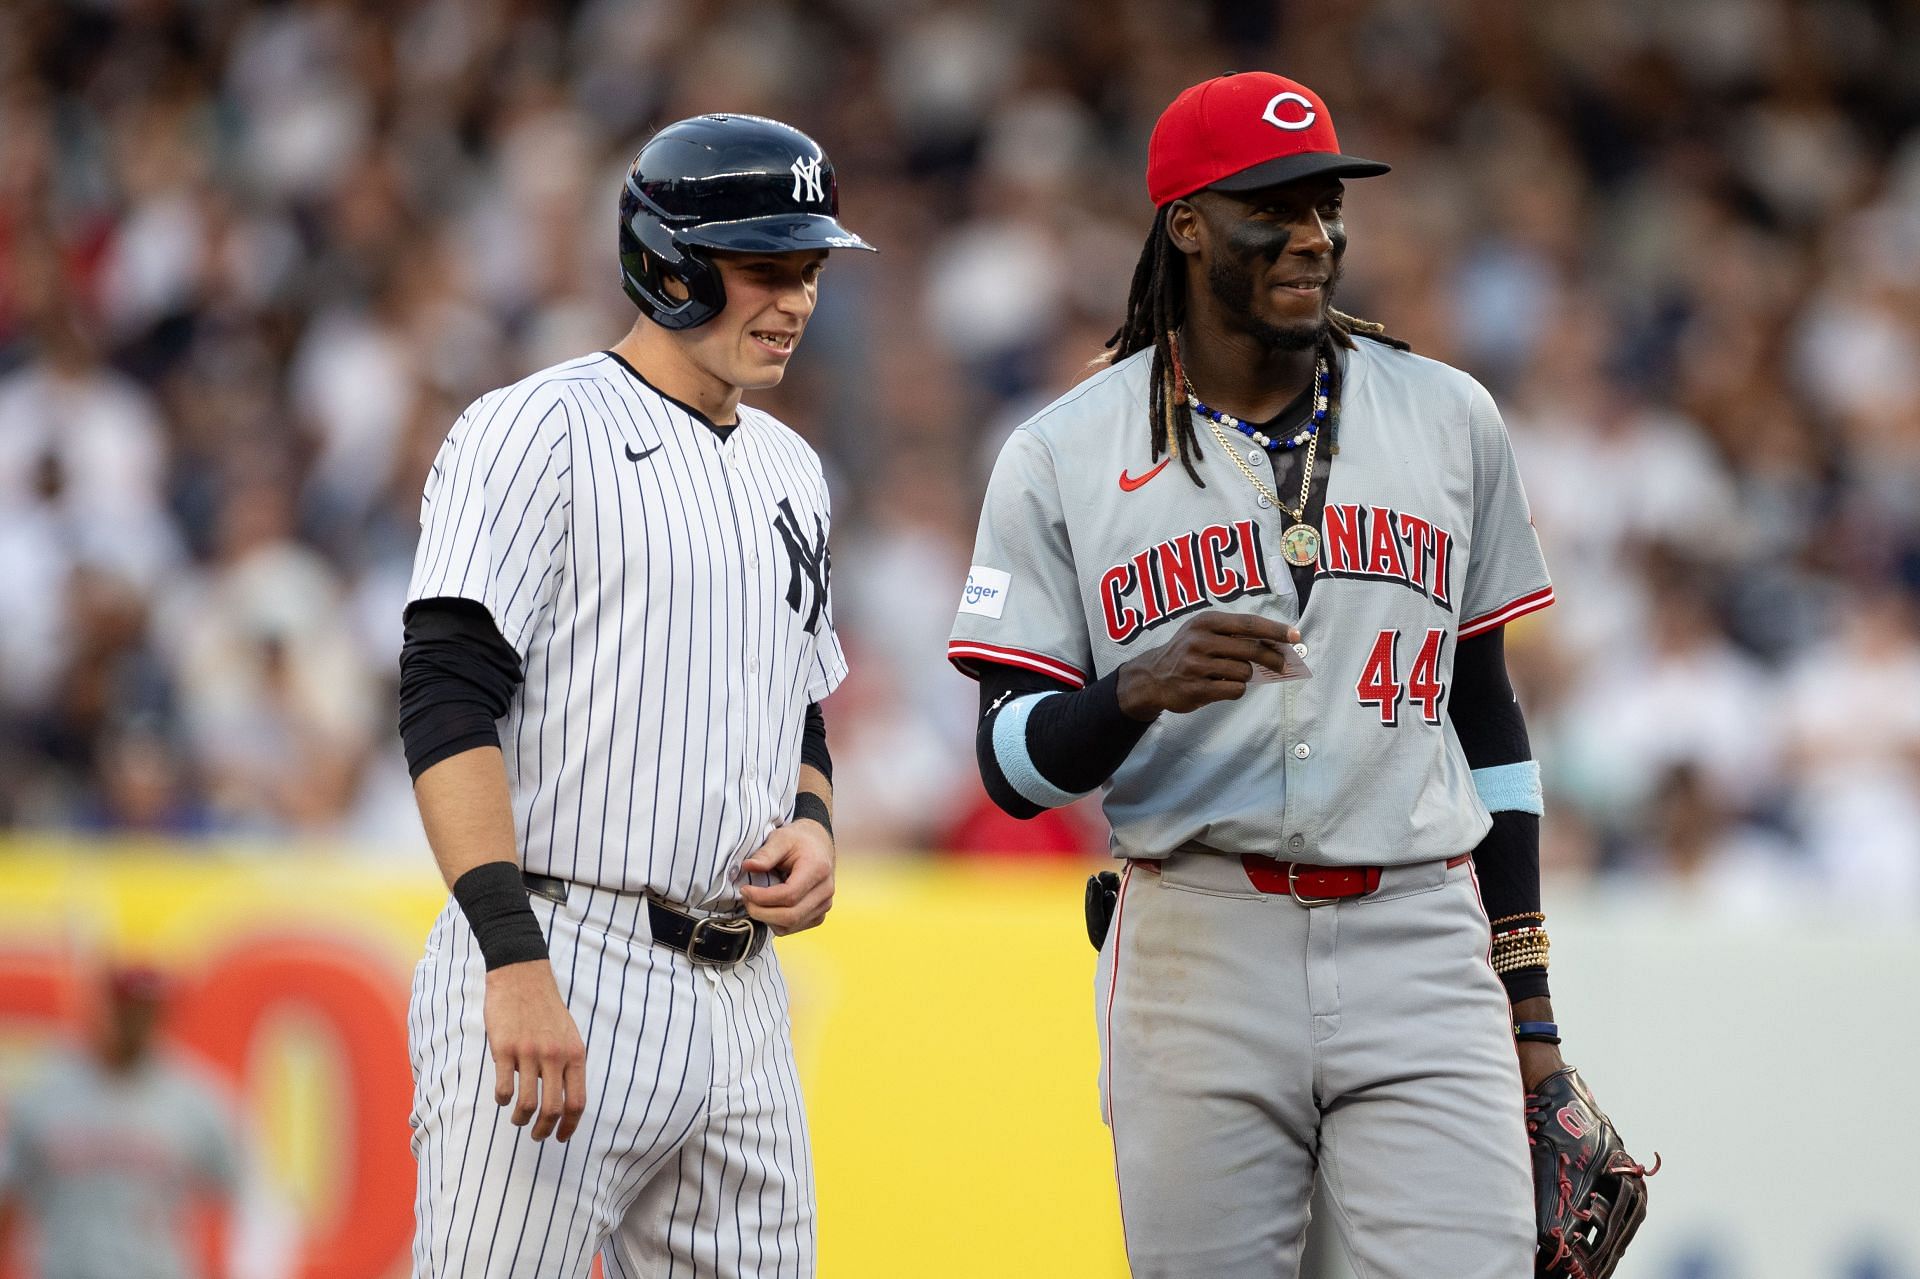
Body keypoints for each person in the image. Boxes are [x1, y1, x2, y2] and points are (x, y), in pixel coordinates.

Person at [949, 73, 1647, 1276]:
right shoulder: (1060, 451)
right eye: (1275, 206)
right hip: (1195, 933)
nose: (1314, 237)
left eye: (1326, 205)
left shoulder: (1448, 416)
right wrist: (1134, 691)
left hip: (1419, 934)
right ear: (1187, 225)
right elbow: (1008, 765)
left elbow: (1487, 723)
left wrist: (1534, 1022)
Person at [398, 113, 869, 1277]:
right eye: (766, 267)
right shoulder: (535, 429)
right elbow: (445, 699)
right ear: (670, 264)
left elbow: (796, 701)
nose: (796, 300)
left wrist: (812, 819)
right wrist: (511, 959)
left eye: (808, 269)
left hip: (743, 991)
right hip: (564, 946)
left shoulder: (791, 466)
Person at [0, 965, 245, 1279]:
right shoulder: (44, 1092)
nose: (136, 1024)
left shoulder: (194, 1099)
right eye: (127, 1010)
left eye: (146, 1012)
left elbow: (251, 1192)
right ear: (103, 1008)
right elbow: (8, 1196)